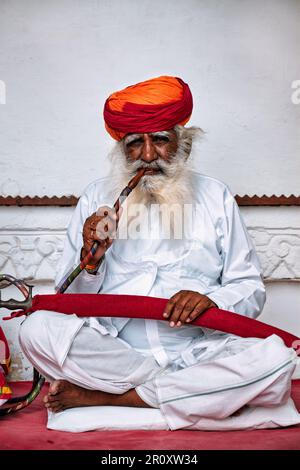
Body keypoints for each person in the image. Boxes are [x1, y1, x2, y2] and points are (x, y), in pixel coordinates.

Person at [19, 76, 297, 430]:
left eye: (161, 140)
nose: (148, 155)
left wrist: (210, 300)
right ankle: (182, 394)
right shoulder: (96, 198)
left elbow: (249, 287)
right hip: (116, 357)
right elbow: (67, 302)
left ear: (184, 146)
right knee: (36, 329)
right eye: (135, 143)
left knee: (275, 359)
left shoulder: (215, 197)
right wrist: (92, 263)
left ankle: (120, 399)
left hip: (200, 353)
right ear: (122, 150)